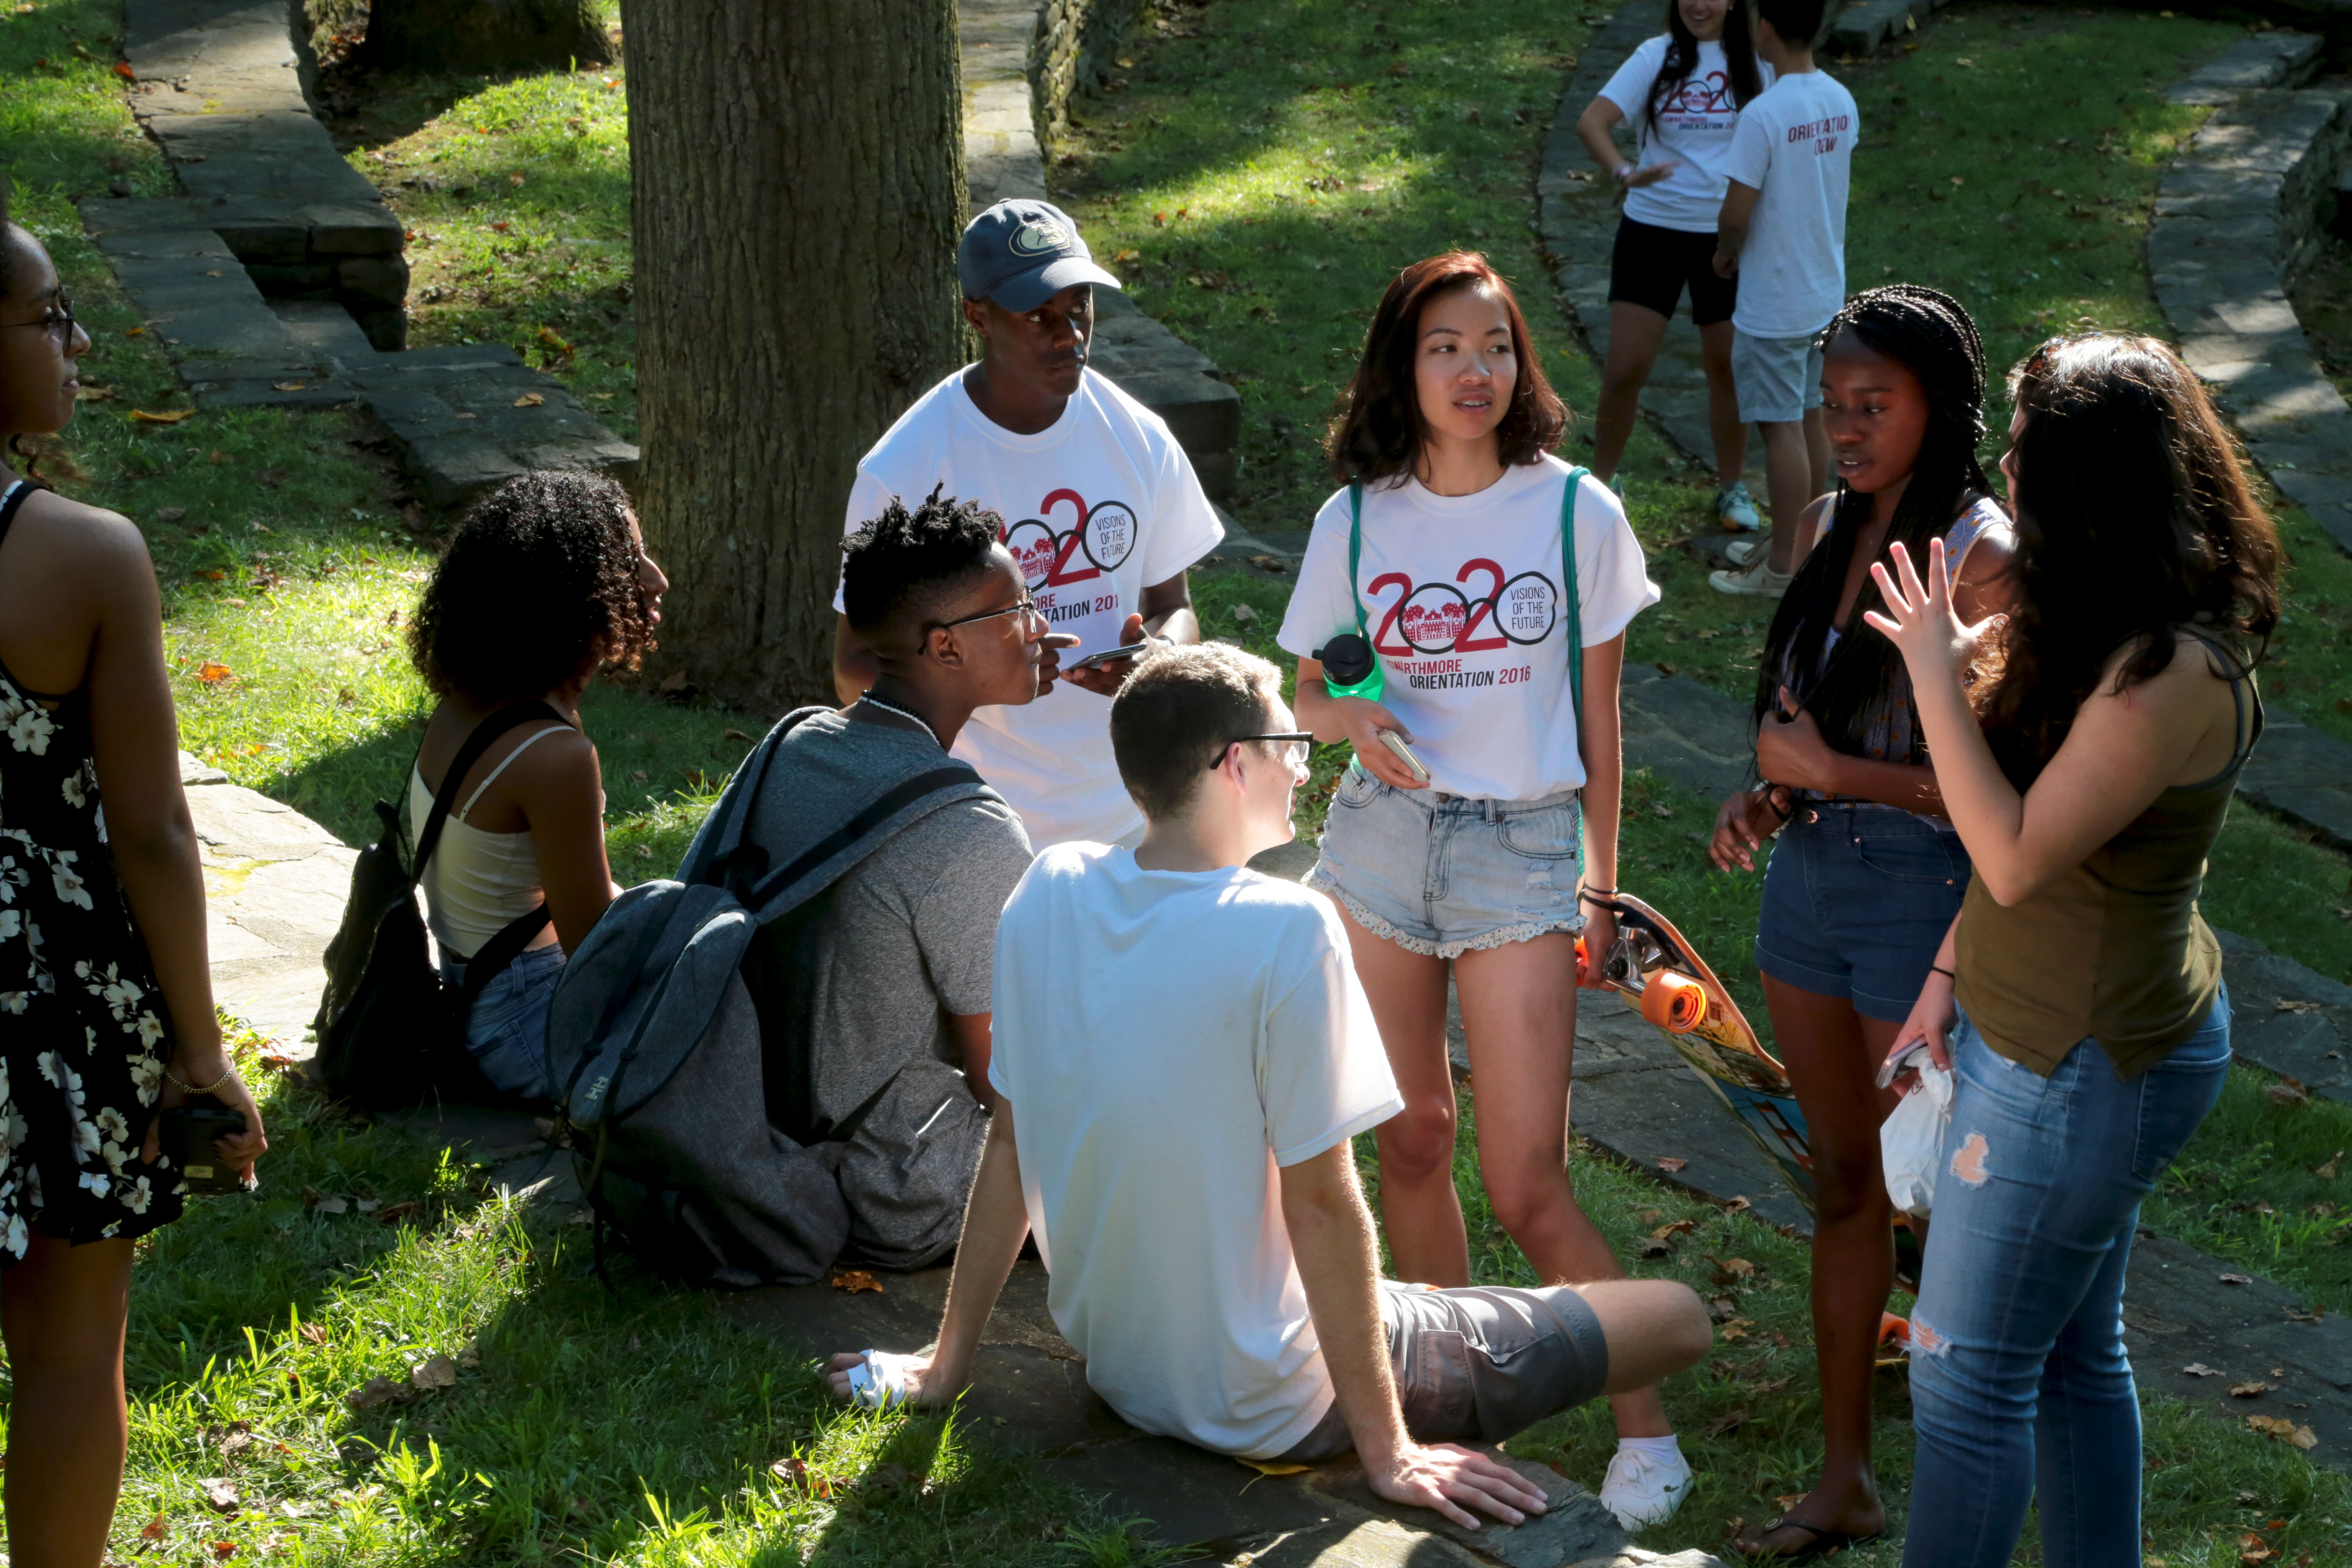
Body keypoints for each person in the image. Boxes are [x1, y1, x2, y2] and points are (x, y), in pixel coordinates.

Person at [824, 645, 1712, 1528]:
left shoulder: (1047, 889)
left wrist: (946, 1365)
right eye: (1292, 741)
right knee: (1673, 1318)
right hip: (1276, 1402)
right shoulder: (1288, 927)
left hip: (1130, 1373)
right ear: (1234, 761)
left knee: (1433, 1305)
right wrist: (1389, 1453)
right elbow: (1323, 1207)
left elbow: (1010, 1144)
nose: (1303, 762)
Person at [1277, 252, 1683, 1527]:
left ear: (1523, 366)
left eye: (1496, 346)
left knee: (1526, 1181)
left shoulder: (1576, 516)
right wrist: (1359, 715)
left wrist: (1603, 889)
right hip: (1382, 844)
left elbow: (1604, 727)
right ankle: (1447, 1402)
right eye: (1447, 345)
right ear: (1406, 364)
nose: (1474, 370)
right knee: (1409, 1138)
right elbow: (1313, 689)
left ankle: (1646, 1428)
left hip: (1521, 851)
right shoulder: (1357, 523)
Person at [1866, 334, 2276, 1568]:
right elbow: (2029, 841)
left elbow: (2015, 854)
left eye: (2028, 455)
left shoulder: (2173, 672)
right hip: (2032, 1028)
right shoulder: (2102, 615)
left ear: (2096, 486)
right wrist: (1946, 980)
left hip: (2082, 1062)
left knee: (1964, 1375)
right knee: (2066, 1355)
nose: (2004, 468)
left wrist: (1936, 677)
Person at [1703, 285, 2015, 1562]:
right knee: (1842, 1184)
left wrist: (1832, 778)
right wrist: (1773, 793)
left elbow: (2001, 797)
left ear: (1936, 404)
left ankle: (1962, 1481)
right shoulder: (1825, 522)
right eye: (1832, 407)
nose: (1842, 428)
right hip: (1813, 890)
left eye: (1871, 406)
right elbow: (1818, 724)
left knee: (1934, 1206)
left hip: (1923, 899)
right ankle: (1845, 1478)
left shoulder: (1986, 554)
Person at [0, 199, 267, 1565]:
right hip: (47, 998)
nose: (76, 338)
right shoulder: (83, 557)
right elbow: (153, 827)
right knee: (66, 1344)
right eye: (46, 314)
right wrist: (200, 1045)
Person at [723, 489, 1054, 1269]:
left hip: (758, 1130)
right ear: (945, 647)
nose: (1041, 627)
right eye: (1018, 609)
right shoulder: (967, 830)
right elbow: (1005, 1079)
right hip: (901, 1186)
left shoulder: (793, 742)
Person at [831, 198, 1224, 852]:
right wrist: (986, 673)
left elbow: (1173, 607)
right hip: (969, 820)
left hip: (1132, 813)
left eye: (1079, 309)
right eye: (1039, 316)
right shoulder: (906, 467)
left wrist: (1158, 661)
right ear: (977, 316)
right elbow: (853, 666)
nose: (1069, 334)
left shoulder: (1139, 437)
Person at [405, 470, 667, 1100]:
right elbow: (594, 947)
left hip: (473, 992)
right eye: (629, 561)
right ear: (572, 594)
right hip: (525, 1028)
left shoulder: (469, 703)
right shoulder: (555, 755)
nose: (655, 577)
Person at [1575, 0, 1770, 530]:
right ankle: (1601, 487)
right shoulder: (1653, 56)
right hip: (1651, 232)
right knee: (1625, 368)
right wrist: (1622, 171)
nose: (1698, 4)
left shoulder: (1757, 62)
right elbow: (1593, 121)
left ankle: (1732, 490)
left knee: (1726, 367)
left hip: (1725, 238)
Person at [1707, 0, 1857, 599]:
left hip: (1774, 301)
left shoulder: (1763, 115)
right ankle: (1804, 547)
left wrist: (1724, 252)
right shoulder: (1840, 100)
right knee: (1812, 419)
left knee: (1781, 430)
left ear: (1765, 28)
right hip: (1823, 292)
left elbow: (1737, 212)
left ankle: (1784, 572)